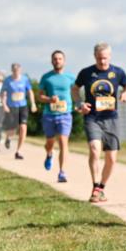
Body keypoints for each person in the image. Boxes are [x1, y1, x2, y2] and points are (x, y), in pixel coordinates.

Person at [74, 43, 126, 203]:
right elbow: (75, 89)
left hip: (111, 118)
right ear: (95, 57)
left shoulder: (117, 72)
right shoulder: (86, 72)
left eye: (105, 58)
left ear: (110, 56)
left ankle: (101, 188)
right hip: (92, 117)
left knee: (111, 158)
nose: (102, 61)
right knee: (94, 149)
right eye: (99, 58)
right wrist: (80, 104)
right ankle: (95, 185)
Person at [38, 51, 77, 183]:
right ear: (51, 61)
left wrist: (78, 104)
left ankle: (62, 172)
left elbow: (76, 93)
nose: (57, 61)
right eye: (55, 59)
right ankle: (49, 154)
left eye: (60, 59)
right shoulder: (46, 77)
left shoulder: (71, 77)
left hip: (65, 114)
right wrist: (49, 99)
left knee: (63, 142)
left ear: (64, 61)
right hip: (49, 114)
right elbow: (40, 96)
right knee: (49, 143)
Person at [2, 63, 37, 160]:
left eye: (17, 70)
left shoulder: (25, 79)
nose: (16, 71)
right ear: (12, 70)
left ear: (20, 70)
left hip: (23, 106)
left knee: (23, 127)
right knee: (12, 130)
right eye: (14, 70)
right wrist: (4, 105)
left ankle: (19, 151)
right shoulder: (8, 80)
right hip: (11, 107)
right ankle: (8, 138)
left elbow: (30, 91)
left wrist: (33, 103)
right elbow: (4, 94)